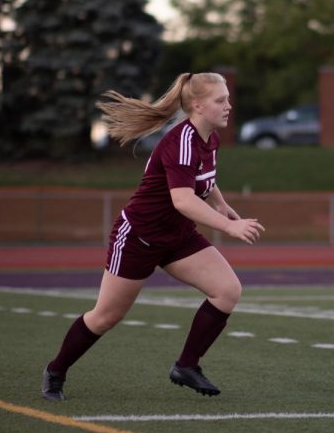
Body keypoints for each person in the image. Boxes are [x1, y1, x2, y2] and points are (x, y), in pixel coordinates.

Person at [42, 71, 264, 401]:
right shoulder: (181, 140)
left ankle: (186, 366)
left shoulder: (209, 138)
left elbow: (205, 178)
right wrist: (228, 226)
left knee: (227, 290)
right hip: (138, 237)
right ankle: (56, 371)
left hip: (177, 236)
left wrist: (222, 204)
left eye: (228, 98)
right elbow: (183, 199)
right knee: (106, 317)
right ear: (198, 106)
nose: (228, 105)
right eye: (221, 100)